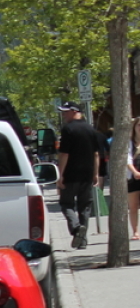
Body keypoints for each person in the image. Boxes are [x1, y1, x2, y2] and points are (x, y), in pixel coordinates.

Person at [56, 101, 98, 249]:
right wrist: (95, 173)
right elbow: (96, 154)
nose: (64, 115)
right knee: (84, 206)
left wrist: (60, 175)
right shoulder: (91, 129)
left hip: (71, 174)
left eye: (65, 112)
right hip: (86, 173)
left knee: (66, 204)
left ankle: (75, 228)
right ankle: (83, 240)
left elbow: (64, 154)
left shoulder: (68, 130)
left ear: (75, 111)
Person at [128, 117, 140, 241]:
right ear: (134, 127)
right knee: (133, 206)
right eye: (139, 125)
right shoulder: (129, 143)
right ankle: (135, 232)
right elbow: (127, 159)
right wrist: (135, 172)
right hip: (133, 177)